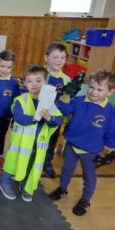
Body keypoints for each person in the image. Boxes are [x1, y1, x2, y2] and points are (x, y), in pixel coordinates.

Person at [49, 70, 115, 216]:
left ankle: (85, 200)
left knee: (89, 177)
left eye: (99, 89)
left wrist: (111, 151)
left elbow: (111, 132)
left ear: (110, 92)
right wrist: (68, 92)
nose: (94, 92)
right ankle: (62, 189)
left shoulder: (110, 111)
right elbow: (62, 109)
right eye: (91, 87)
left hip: (91, 151)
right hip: (71, 145)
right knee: (66, 169)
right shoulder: (78, 100)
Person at [0, 64, 62, 202]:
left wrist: (50, 118)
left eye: (38, 81)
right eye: (29, 80)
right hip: (20, 144)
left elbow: (58, 120)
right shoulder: (21, 100)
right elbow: (19, 117)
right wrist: (35, 117)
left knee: (32, 164)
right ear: (24, 83)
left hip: (38, 145)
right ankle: (4, 181)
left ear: (45, 83)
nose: (34, 84)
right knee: (12, 162)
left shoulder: (49, 103)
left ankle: (25, 184)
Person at [43, 42, 71, 178]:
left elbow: (66, 102)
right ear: (46, 58)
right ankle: (31, 161)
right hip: (39, 115)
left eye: (62, 57)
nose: (58, 60)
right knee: (35, 140)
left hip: (55, 117)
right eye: (55, 57)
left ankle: (47, 163)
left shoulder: (66, 80)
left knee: (51, 142)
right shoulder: (39, 74)